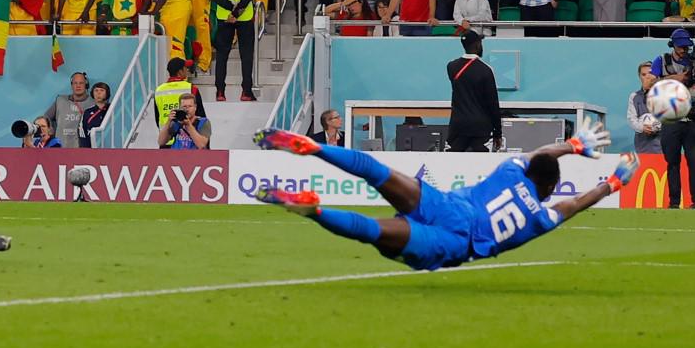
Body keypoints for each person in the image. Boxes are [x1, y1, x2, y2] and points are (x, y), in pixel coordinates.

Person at [251, 123, 638, 271]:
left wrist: (572, 146)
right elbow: (572, 205)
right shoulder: (538, 218)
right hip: (454, 242)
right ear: (549, 189)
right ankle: (315, 211)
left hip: (447, 205)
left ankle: (315, 148)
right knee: (371, 231)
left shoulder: (510, 169)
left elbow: (540, 154)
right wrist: (612, 183)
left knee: (374, 170)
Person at [650, 28, 695, 209]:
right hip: (670, 118)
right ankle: (674, 202)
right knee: (672, 162)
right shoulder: (661, 61)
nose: (684, 50)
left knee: (694, 162)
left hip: (692, 118)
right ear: (673, 45)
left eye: (686, 47)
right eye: (681, 47)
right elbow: (651, 84)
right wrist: (677, 78)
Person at [210, 0, 258, 102]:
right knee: (246, 54)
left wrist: (229, 9)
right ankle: (246, 92)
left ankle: (220, 92)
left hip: (224, 16)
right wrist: (236, 12)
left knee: (222, 55)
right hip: (244, 16)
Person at [446, 30, 502, 153]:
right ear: (477, 45)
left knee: (452, 161)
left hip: (458, 125)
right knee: (481, 162)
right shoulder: (486, 70)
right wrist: (498, 133)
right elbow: (493, 103)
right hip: (481, 126)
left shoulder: (451, 67)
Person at [44, 71, 94, 148]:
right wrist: (50, 130)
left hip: (84, 149)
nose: (78, 86)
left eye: (81, 83)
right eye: (75, 83)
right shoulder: (60, 100)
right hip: (61, 148)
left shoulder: (93, 103)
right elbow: (45, 118)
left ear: (86, 85)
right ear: (71, 85)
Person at [628, 61, 662, 154]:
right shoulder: (634, 96)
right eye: (643, 74)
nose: (647, 77)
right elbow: (631, 119)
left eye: (650, 74)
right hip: (642, 146)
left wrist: (657, 126)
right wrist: (642, 128)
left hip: (663, 145)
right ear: (639, 77)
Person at [78, 82, 111, 147]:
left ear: (107, 93)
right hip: (92, 149)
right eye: (96, 90)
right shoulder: (87, 112)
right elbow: (82, 133)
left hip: (112, 148)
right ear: (92, 93)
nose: (98, 93)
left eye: (102, 90)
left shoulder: (112, 109)